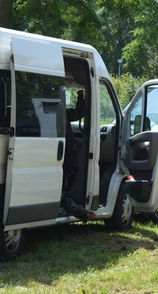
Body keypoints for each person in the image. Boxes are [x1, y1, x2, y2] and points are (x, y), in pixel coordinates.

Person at [62, 89, 97, 220]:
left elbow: (78, 112)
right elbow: (79, 112)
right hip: (68, 154)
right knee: (64, 192)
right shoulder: (62, 112)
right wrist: (81, 97)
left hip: (65, 153)